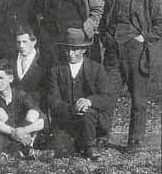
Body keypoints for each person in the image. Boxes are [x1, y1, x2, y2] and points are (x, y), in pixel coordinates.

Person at [99, 0, 162, 153]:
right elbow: (102, 27)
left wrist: (143, 38)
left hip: (137, 55)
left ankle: (134, 142)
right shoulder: (111, 0)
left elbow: (160, 24)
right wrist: (107, 40)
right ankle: (102, 138)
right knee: (107, 96)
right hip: (113, 56)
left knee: (138, 100)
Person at [47, 28, 114, 161]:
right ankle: (75, 142)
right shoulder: (56, 70)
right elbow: (53, 99)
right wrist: (71, 109)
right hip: (66, 119)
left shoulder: (96, 68)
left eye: (74, 49)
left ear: (83, 50)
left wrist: (89, 101)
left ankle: (90, 145)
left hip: (91, 120)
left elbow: (108, 97)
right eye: (67, 49)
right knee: (62, 150)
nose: (70, 53)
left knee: (88, 113)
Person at [0, 61, 52, 167]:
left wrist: (23, 131)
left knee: (33, 113)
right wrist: (14, 132)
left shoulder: (20, 94)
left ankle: (10, 155)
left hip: (21, 137)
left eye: (1, 78)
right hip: (1, 137)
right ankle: (27, 152)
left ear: (11, 79)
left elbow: (42, 121)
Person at [10, 26, 47, 109]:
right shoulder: (10, 60)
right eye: (18, 42)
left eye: (24, 42)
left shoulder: (43, 62)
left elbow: (45, 90)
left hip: (36, 107)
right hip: (13, 107)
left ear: (34, 42)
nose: (21, 46)